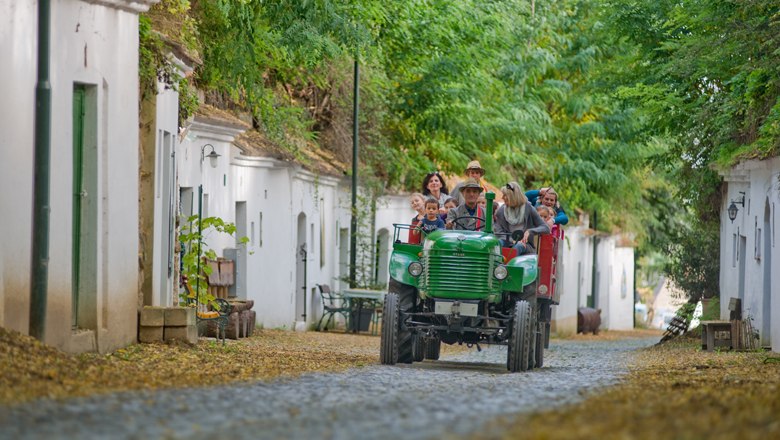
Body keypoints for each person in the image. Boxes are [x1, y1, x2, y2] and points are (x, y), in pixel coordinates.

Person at [495, 182, 550, 255]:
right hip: (507, 242)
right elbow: (499, 233)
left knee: (518, 246)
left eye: (505, 195)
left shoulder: (528, 208)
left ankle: (507, 266)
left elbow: (545, 228)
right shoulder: (501, 211)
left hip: (526, 245)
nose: (502, 198)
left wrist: (530, 231)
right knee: (497, 244)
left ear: (513, 196)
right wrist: (512, 241)